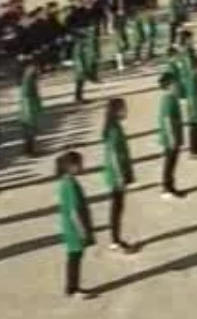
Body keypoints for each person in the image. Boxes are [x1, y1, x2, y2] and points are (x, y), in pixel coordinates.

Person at [55, 150, 97, 299]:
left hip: (70, 227)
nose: (82, 166)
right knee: (75, 258)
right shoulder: (70, 184)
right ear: (71, 166)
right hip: (74, 228)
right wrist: (83, 231)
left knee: (74, 257)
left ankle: (72, 287)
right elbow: (74, 211)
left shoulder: (66, 182)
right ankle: (72, 288)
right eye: (79, 163)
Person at [100, 98, 137, 254]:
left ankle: (115, 238)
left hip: (115, 174)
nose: (125, 111)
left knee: (117, 208)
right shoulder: (114, 130)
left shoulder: (114, 127)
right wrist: (120, 176)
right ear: (116, 111)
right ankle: (115, 240)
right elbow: (114, 155)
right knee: (117, 208)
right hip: (116, 175)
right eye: (123, 109)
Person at [156, 72, 186, 200]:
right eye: (174, 83)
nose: (177, 85)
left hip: (174, 136)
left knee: (172, 163)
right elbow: (167, 120)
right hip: (170, 138)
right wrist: (172, 138)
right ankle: (166, 187)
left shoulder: (172, 97)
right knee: (169, 163)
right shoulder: (167, 99)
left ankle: (170, 186)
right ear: (168, 85)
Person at [17, 61, 43, 156]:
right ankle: (29, 151)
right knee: (30, 131)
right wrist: (31, 114)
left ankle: (29, 150)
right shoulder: (28, 82)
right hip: (29, 111)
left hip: (30, 110)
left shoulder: (29, 81)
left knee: (30, 132)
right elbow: (27, 100)